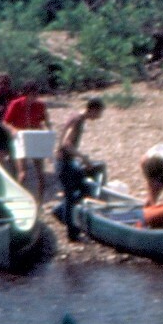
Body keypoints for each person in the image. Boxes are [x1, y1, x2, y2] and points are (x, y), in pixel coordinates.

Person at [55, 97, 106, 241]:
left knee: (84, 187)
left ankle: (59, 211)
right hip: (64, 163)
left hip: (68, 161)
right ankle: (72, 234)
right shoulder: (78, 120)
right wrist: (83, 158)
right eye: (99, 113)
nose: (99, 116)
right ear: (93, 109)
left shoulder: (78, 118)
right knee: (71, 197)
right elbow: (66, 144)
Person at [3, 80, 51, 200]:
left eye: (37, 94)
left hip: (35, 138)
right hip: (21, 138)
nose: (36, 96)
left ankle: (39, 202)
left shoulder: (41, 105)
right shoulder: (16, 104)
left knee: (41, 174)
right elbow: (5, 122)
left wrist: (49, 132)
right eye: (33, 94)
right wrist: (13, 130)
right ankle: (17, 198)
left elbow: (46, 121)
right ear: (27, 93)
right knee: (22, 174)